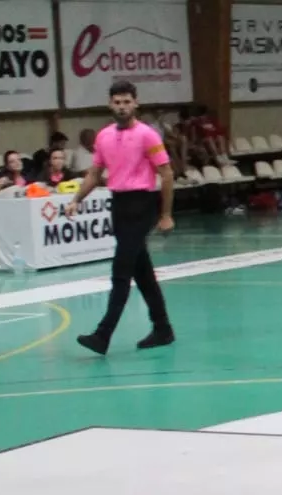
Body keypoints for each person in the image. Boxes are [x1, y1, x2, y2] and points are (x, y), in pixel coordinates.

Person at [65, 79, 175, 355]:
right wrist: (76, 199)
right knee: (143, 272)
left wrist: (166, 214)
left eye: (127, 102)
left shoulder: (148, 135)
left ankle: (103, 335)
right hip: (119, 205)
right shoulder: (103, 136)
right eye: (118, 102)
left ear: (135, 104)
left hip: (142, 204)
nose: (123, 107)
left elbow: (167, 174)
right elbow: (95, 173)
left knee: (121, 271)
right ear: (110, 104)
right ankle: (163, 328)